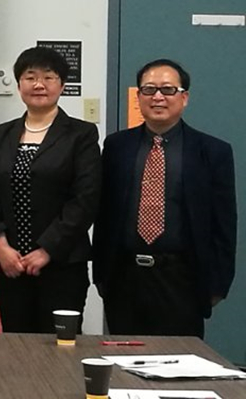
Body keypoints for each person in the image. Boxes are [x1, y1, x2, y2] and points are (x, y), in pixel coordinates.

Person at [93, 59, 237, 338]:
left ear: (184, 97)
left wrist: (218, 284)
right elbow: (104, 212)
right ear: (138, 97)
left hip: (182, 279)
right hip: (124, 277)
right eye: (149, 89)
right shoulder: (116, 146)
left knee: (178, 359)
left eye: (168, 89)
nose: (157, 97)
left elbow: (224, 223)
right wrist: (101, 275)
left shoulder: (213, 151)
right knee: (124, 357)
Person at [0, 46, 101, 333]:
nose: (39, 84)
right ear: (19, 84)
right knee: (16, 346)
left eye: (48, 77)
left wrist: (47, 250)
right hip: (10, 265)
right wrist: (1, 247)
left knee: (60, 347)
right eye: (30, 77)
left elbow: (85, 199)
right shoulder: (3, 133)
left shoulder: (81, 134)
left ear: (62, 85)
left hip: (62, 265)